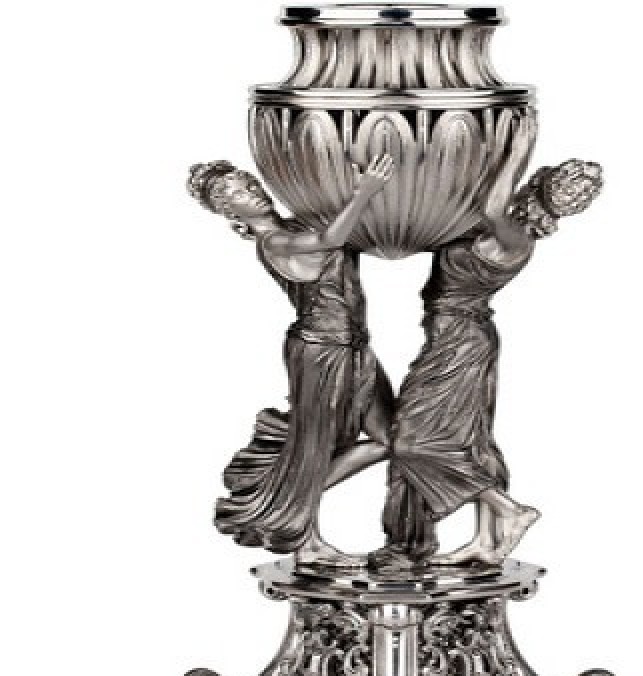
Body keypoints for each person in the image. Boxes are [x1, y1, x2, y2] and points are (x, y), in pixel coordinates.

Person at [374, 116, 604, 569]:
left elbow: (494, 205)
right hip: (452, 336)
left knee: (410, 442)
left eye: (575, 195)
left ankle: (508, 510)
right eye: (566, 185)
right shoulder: (488, 229)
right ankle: (485, 536)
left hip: (462, 342)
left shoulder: (515, 237)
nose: (569, 195)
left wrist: (518, 150)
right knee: (470, 440)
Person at [187, 155, 395, 566]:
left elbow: (346, 235)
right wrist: (365, 192)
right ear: (230, 213)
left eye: (248, 183)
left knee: (388, 439)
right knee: (314, 446)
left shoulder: (297, 225)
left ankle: (288, 505)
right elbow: (332, 239)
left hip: (354, 345)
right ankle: (304, 535)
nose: (251, 191)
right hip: (321, 351)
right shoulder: (275, 242)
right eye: (235, 193)